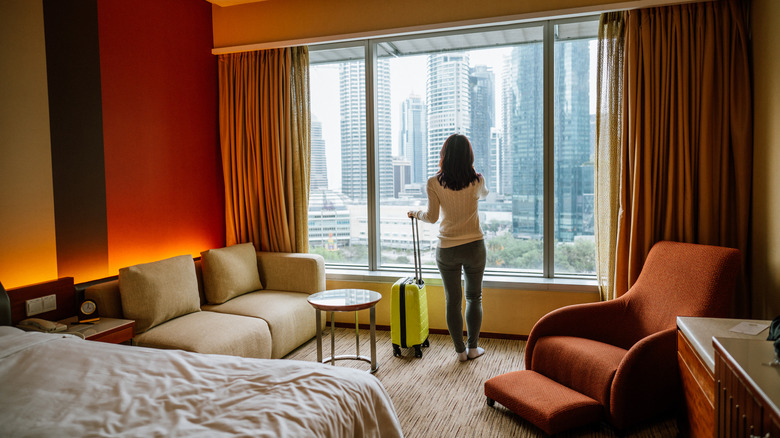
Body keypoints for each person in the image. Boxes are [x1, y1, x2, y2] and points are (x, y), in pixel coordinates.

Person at [408, 134, 488, 362]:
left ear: (444, 155)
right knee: (474, 298)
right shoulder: (478, 180)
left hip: (447, 249)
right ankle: (473, 348)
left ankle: (460, 351)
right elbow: (482, 196)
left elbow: (432, 218)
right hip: (474, 246)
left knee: (452, 300)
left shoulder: (433, 183)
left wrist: (415, 213)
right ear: (469, 156)